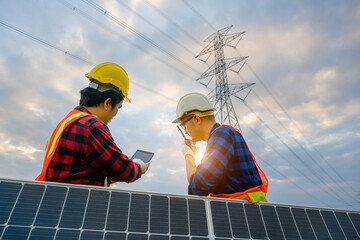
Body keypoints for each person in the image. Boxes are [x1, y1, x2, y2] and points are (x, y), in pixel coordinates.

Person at [36, 62, 150, 187]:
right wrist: (138, 166)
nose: (116, 112)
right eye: (118, 107)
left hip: (56, 197)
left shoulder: (68, 121)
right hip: (72, 202)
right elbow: (126, 172)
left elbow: (79, 173)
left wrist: (120, 160)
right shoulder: (90, 126)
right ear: (107, 103)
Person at [172, 92, 268, 203]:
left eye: (184, 124)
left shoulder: (222, 134)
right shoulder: (223, 135)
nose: (185, 131)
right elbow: (204, 185)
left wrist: (188, 156)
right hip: (245, 213)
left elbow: (198, 187)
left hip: (242, 215)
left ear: (197, 119)